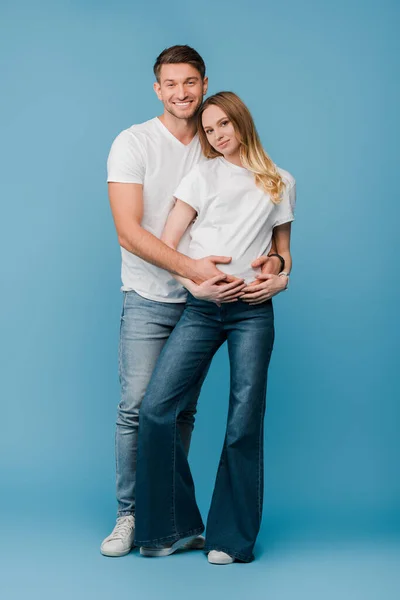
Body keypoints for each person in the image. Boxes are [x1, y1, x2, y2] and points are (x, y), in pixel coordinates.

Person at [101, 47, 283, 557]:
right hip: (149, 295)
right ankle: (132, 517)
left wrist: (277, 271)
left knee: (182, 414)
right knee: (140, 409)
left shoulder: (214, 148)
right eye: (170, 83)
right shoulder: (133, 142)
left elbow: (255, 227)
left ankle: (178, 523)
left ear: (204, 85)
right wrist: (194, 273)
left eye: (190, 83)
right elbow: (130, 232)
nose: (181, 92)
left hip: (211, 304)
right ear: (157, 89)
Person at [133, 91, 296, 564]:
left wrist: (277, 280)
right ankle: (174, 527)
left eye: (224, 124)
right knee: (157, 410)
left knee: (244, 421)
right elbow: (168, 246)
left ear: (242, 122)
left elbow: (284, 255)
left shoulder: (279, 182)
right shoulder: (201, 175)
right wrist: (195, 285)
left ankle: (231, 539)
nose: (217, 135)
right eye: (209, 130)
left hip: (251, 311)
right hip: (203, 306)